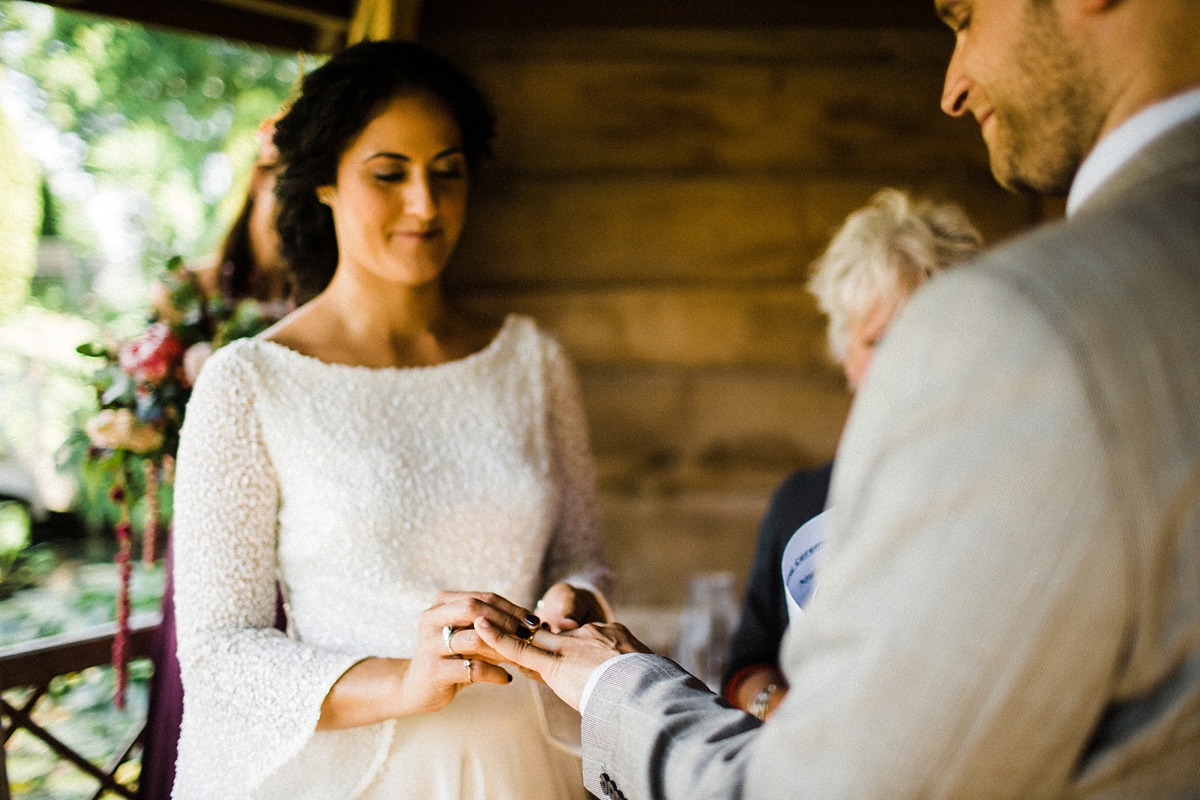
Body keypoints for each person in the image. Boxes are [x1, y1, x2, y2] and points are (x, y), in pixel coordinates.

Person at [475, 0, 1200, 797]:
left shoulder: (1031, 322)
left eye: (962, 19)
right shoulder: (808, 498)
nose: (951, 89)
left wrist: (617, 686)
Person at [170, 40, 612, 800]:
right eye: (389, 174)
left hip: (530, 764)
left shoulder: (532, 361)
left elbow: (583, 558)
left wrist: (576, 602)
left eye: (448, 172)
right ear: (325, 186)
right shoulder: (249, 381)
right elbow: (217, 650)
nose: (425, 204)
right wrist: (406, 681)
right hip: (358, 771)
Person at [723, 189, 982, 720]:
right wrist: (782, 710)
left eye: (927, 331)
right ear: (847, 356)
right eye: (881, 339)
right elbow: (747, 665)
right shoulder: (800, 502)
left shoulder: (1004, 486)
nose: (905, 358)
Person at [138, 114, 293, 800]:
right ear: (256, 186)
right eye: (279, 188)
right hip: (216, 523)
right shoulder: (195, 290)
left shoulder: (320, 302)